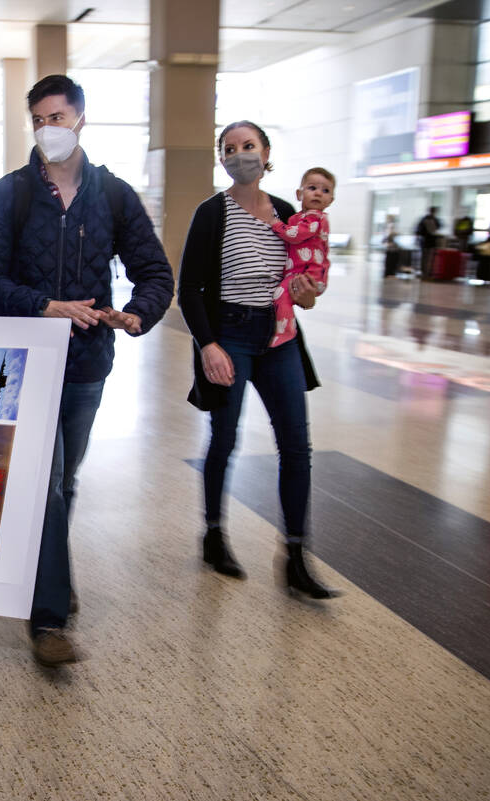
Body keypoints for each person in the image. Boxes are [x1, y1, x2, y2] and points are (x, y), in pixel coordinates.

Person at [0, 74, 174, 665]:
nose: (48, 129)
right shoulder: (9, 194)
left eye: (58, 117)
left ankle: (49, 574)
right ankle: (49, 618)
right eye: (38, 119)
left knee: (63, 481)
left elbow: (155, 273)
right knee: (44, 482)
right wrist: (44, 305)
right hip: (25, 360)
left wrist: (137, 315)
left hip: (88, 363)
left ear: (81, 120)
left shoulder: (112, 195)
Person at [176, 119, 338, 600]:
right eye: (231, 148)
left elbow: (304, 283)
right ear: (221, 158)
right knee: (224, 438)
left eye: (249, 146)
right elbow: (190, 290)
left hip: (280, 337)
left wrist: (308, 294)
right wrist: (209, 346)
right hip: (230, 337)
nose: (240, 153)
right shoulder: (212, 213)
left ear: (266, 154)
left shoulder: (290, 212)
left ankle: (295, 555)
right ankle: (213, 534)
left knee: (296, 446)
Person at [268, 167, 334, 347]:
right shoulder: (302, 216)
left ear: (330, 200)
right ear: (299, 194)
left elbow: (295, 235)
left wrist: (277, 225)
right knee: (281, 297)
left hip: (307, 275)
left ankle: (285, 331)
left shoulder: (315, 218)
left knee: (280, 295)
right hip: (304, 272)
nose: (318, 193)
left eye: (325, 190)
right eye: (312, 188)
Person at [416, 206, 441, 277]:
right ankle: (426, 272)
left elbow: (419, 230)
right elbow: (438, 228)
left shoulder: (426, 219)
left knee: (426, 258)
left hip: (427, 241)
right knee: (427, 258)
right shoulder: (433, 220)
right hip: (429, 241)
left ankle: (426, 272)